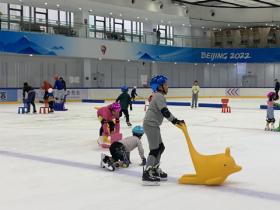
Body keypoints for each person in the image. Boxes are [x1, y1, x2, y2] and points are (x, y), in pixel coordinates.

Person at [142, 75, 185, 185]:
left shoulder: (157, 95)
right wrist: (175, 121)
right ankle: (147, 173)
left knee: (160, 147)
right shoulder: (159, 96)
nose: (167, 86)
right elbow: (164, 111)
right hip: (151, 124)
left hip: (153, 125)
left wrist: (175, 121)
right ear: (159, 87)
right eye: (165, 84)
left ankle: (155, 169)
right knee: (155, 149)